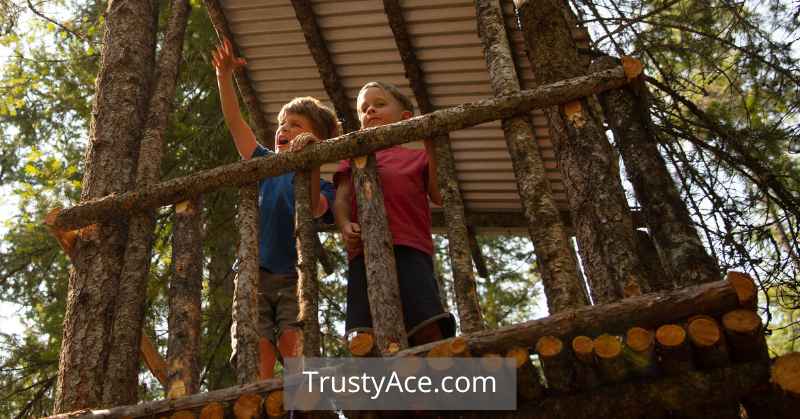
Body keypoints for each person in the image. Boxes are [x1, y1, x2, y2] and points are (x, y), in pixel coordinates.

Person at [212, 38, 338, 379]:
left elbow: (314, 207)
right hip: (253, 277)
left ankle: (302, 404)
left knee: (294, 343)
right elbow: (236, 124)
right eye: (283, 124)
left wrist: (310, 160)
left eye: (296, 125)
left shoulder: (323, 184)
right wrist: (225, 77)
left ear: (318, 140)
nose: (285, 129)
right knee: (257, 352)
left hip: (293, 279)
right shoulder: (264, 162)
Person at [334, 81, 455, 347]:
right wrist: (343, 225)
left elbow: (438, 195)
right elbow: (342, 197)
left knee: (426, 322)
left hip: (410, 246)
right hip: (364, 251)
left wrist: (430, 144)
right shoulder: (353, 158)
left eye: (379, 104)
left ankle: (437, 374)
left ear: (406, 118)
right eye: (364, 109)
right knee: (365, 333)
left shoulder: (417, 157)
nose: (370, 112)